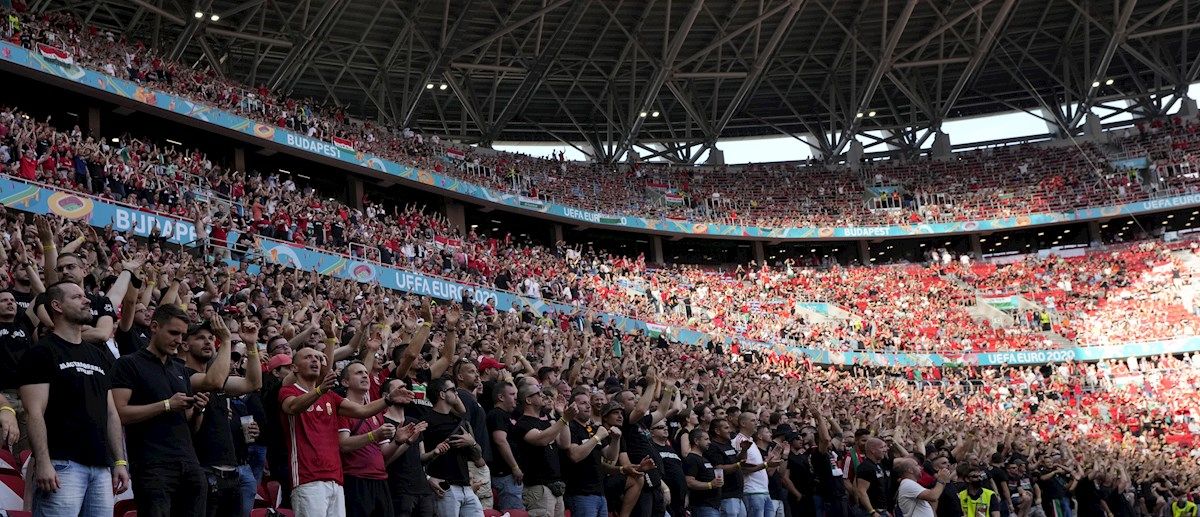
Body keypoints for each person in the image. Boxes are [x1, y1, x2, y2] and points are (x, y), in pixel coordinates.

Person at [19, 281, 130, 517]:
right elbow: (34, 412)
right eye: (78, 297)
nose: (87, 300)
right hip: (62, 466)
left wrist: (119, 461)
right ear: (57, 306)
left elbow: (111, 412)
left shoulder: (98, 355)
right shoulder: (41, 352)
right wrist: (44, 462)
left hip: (100, 468)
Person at [280, 346, 414, 517]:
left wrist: (388, 399)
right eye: (307, 357)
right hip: (307, 478)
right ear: (294, 368)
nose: (314, 360)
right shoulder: (288, 391)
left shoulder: (330, 396)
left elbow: (362, 411)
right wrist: (320, 389)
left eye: (317, 357)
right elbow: (292, 407)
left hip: (336, 478)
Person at [110, 304, 209, 517]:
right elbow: (119, 414)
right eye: (173, 332)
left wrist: (198, 409)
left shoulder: (180, 370)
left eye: (182, 334)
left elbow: (188, 422)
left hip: (189, 462)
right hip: (152, 465)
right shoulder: (128, 364)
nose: (178, 340)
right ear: (154, 327)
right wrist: (166, 405)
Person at [180, 316, 263, 517]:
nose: (208, 341)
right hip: (203, 472)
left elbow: (252, 383)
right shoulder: (182, 374)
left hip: (231, 473)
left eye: (211, 338)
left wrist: (251, 346)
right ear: (184, 344)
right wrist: (225, 341)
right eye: (200, 338)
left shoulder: (217, 380)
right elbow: (214, 381)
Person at [337, 361, 398, 517]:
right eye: (358, 373)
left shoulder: (376, 412)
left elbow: (384, 453)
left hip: (381, 480)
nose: (365, 375)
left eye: (365, 372)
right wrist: (374, 435)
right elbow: (343, 445)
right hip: (356, 481)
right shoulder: (343, 409)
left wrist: (400, 440)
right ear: (345, 382)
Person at [422, 376, 485, 517]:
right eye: (453, 390)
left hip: (466, 486)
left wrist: (472, 443)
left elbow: (478, 457)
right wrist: (427, 477)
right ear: (442, 394)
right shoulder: (427, 421)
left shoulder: (459, 420)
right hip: (445, 488)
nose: (457, 394)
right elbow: (418, 456)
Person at [514, 382, 574, 516]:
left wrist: (561, 413)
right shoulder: (522, 423)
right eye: (538, 393)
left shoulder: (546, 422)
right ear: (528, 400)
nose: (542, 395)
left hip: (555, 486)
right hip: (538, 487)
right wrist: (563, 420)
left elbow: (565, 444)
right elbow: (541, 439)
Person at [564, 387, 619, 517]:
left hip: (599, 492)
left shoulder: (593, 429)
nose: (588, 406)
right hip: (581, 493)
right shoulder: (570, 427)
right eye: (583, 403)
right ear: (572, 406)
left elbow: (609, 456)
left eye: (588, 403)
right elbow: (575, 456)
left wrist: (616, 440)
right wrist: (597, 437)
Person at [486, 380, 524, 511]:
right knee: (513, 512)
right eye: (512, 394)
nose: (516, 398)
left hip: (510, 475)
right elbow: (500, 440)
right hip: (505, 475)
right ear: (501, 397)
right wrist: (514, 466)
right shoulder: (497, 414)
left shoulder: (508, 415)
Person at [734, 412, 775, 517]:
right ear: (743, 423)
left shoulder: (751, 440)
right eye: (753, 420)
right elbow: (742, 468)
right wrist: (766, 464)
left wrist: (768, 461)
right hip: (752, 491)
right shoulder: (738, 441)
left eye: (756, 420)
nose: (757, 423)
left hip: (764, 491)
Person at [707, 417, 749, 517]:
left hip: (738, 494)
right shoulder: (713, 447)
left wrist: (744, 450)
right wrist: (738, 465)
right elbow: (719, 468)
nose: (729, 430)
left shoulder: (728, 444)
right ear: (717, 431)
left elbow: (738, 460)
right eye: (726, 428)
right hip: (727, 495)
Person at [684, 427, 724, 517]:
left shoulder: (704, 458)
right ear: (696, 441)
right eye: (706, 439)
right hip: (702, 506)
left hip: (714, 505)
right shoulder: (692, 459)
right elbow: (689, 482)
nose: (709, 442)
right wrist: (710, 485)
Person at [853, 437, 892, 517]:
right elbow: (861, 491)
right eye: (881, 447)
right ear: (872, 450)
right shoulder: (865, 467)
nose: (885, 450)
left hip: (881, 511)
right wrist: (872, 511)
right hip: (870, 513)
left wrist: (885, 511)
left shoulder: (879, 465)